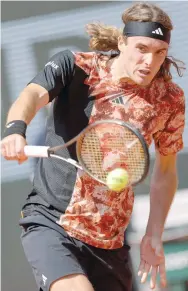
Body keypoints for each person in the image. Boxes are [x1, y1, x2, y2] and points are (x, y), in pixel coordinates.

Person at [0, 2, 185, 291]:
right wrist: (15, 130)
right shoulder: (76, 67)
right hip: (52, 222)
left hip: (110, 240)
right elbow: (32, 95)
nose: (150, 61)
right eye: (142, 49)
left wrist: (154, 234)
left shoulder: (169, 100)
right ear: (122, 42)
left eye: (159, 52)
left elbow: (166, 171)